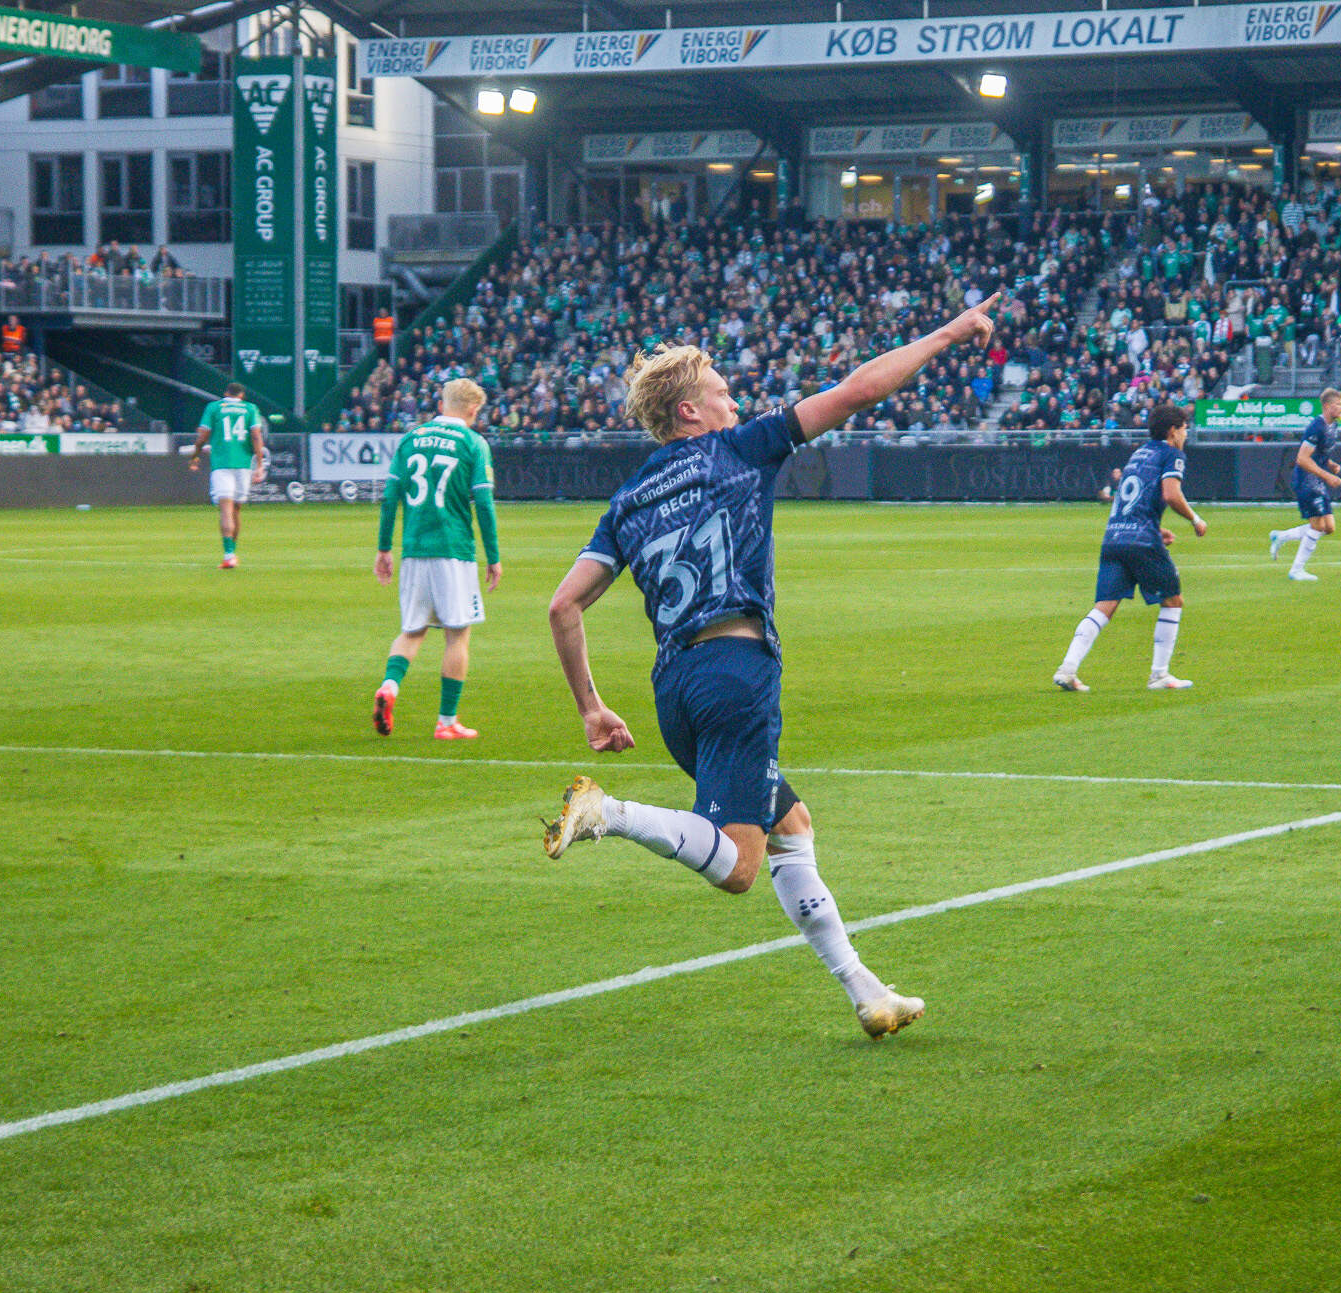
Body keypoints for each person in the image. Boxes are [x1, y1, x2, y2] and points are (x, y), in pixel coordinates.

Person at [539, 293, 1001, 1040]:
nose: (734, 397)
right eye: (722, 389)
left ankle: (866, 992)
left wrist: (593, 706)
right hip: (736, 669)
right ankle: (610, 814)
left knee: (791, 824)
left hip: (675, 690)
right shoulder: (742, 447)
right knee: (740, 866)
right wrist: (948, 332)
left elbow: (564, 606)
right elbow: (858, 390)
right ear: (690, 410)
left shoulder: (626, 501)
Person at [372, 378, 501, 741]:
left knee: (412, 630)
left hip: (414, 550)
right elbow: (484, 504)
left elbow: (389, 497)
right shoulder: (474, 443)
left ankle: (389, 686)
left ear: (442, 403)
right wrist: (493, 556)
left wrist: (384, 549)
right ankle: (446, 721)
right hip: (454, 551)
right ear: (474, 409)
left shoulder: (410, 438)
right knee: (457, 636)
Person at [1052, 404, 1207, 693]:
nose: (1186, 433)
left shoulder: (1139, 453)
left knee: (1104, 606)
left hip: (1114, 537)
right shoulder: (1173, 453)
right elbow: (1171, 494)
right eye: (1184, 428)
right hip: (1141, 542)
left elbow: (1130, 500)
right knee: (1173, 601)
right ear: (1173, 431)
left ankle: (1067, 669)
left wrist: (1154, 528)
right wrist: (1195, 518)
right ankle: (1160, 675)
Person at [1268, 388, 1341, 582]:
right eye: (1338, 405)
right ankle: (1296, 570)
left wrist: (1330, 464)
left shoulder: (1333, 426)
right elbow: (1302, 459)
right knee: (1317, 526)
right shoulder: (1316, 427)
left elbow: (1319, 454)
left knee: (1329, 527)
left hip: (1317, 479)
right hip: (1307, 480)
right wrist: (1327, 476)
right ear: (1327, 406)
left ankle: (1282, 536)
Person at [189, 383, 266, 568]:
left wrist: (195, 456)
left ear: (225, 394)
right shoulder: (250, 408)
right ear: (242, 395)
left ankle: (229, 554)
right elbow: (256, 435)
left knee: (225, 510)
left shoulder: (214, 407)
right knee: (236, 510)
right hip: (244, 465)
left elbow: (202, 436)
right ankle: (233, 553)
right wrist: (260, 464)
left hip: (222, 464)